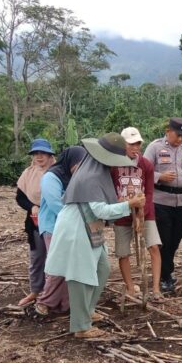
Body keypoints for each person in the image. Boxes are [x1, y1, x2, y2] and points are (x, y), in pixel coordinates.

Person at [44, 134, 144, 339]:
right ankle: (81, 326)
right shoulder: (91, 177)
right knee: (80, 275)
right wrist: (128, 205)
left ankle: (87, 311)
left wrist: (125, 202)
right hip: (77, 229)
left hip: (89, 228)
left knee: (101, 268)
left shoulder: (97, 173)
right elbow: (101, 210)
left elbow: (101, 205)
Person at [142, 117, 182, 294]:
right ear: (168, 131)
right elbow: (142, 170)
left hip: (181, 202)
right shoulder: (155, 147)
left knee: (176, 238)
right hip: (161, 201)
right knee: (164, 240)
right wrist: (159, 177)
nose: (181, 139)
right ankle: (165, 277)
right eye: (178, 135)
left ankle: (166, 271)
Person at [34, 146, 88, 316]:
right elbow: (55, 203)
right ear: (70, 161)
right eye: (79, 164)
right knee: (58, 264)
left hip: (70, 226)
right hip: (53, 226)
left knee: (70, 265)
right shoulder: (51, 177)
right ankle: (44, 301)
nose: (81, 168)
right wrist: (79, 217)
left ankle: (64, 304)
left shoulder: (73, 178)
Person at [111, 127, 161, 298]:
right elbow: (110, 189)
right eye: (131, 144)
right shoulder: (113, 165)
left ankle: (155, 289)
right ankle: (131, 287)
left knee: (153, 247)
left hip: (145, 213)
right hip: (122, 214)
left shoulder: (146, 164)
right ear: (123, 144)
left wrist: (142, 214)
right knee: (123, 252)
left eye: (138, 143)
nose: (135, 147)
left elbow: (149, 192)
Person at [16, 139, 56, 306]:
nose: (39, 157)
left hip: (55, 220)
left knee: (53, 259)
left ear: (49, 154)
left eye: (43, 153)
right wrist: (32, 206)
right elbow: (19, 197)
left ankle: (50, 293)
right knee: (37, 256)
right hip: (35, 221)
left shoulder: (57, 172)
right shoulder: (28, 173)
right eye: (36, 153)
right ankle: (35, 291)